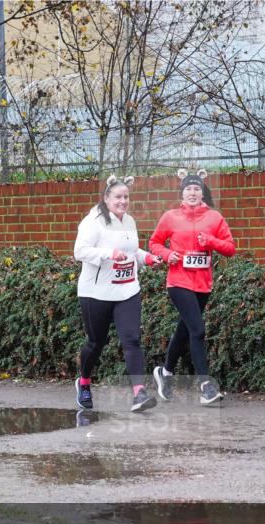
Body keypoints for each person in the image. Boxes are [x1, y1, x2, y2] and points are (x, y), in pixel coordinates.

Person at [74, 174, 162, 412]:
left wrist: (147, 258)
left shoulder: (129, 221)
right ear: (106, 198)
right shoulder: (92, 222)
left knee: (132, 340)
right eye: (118, 197)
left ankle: (139, 394)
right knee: (96, 342)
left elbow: (131, 250)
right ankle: (84, 382)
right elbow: (80, 251)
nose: (123, 201)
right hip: (96, 293)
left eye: (126, 197)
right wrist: (108, 254)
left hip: (127, 290)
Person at [149, 169, 235, 405]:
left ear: (203, 192)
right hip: (178, 282)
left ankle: (164, 373)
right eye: (188, 188)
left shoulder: (215, 218)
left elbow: (230, 247)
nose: (193, 192)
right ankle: (206, 386)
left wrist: (211, 242)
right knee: (197, 330)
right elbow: (154, 242)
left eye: (197, 188)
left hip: (203, 284)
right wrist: (168, 255)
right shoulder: (171, 216)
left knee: (184, 329)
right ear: (182, 192)